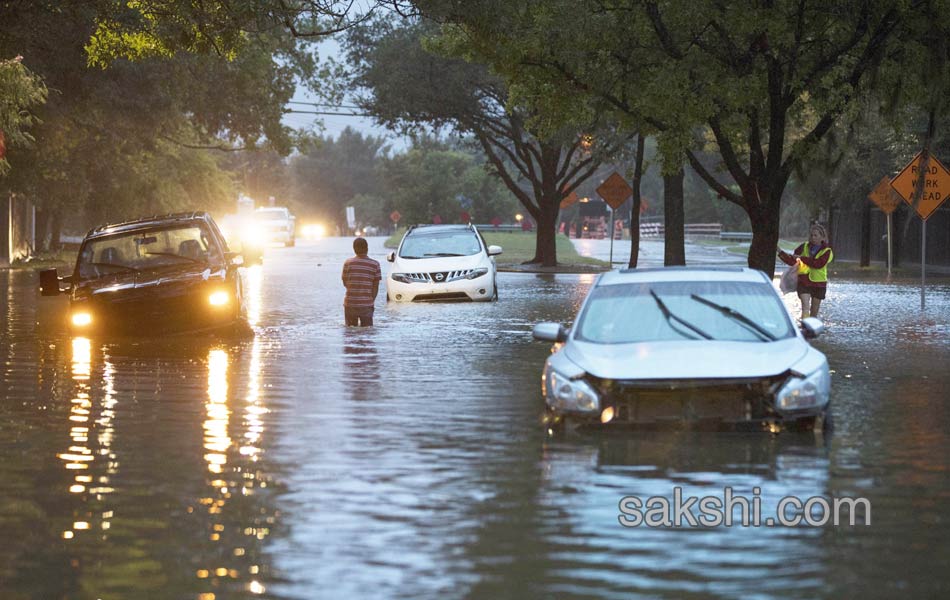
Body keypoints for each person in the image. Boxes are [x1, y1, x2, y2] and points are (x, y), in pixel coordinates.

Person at [778, 223, 834, 320]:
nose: (813, 238)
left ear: (822, 237)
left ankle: (812, 327)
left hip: (819, 283)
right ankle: (804, 326)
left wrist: (802, 258)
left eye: (816, 235)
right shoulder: (803, 247)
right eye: (811, 235)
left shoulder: (827, 251)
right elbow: (793, 261)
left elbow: (818, 264)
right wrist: (780, 252)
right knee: (805, 306)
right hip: (804, 282)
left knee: (814, 310)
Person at [342, 237, 381, 327]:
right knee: (367, 332)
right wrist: (370, 301)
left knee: (351, 332)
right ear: (367, 248)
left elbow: (345, 282)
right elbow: (376, 286)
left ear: (354, 249)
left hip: (350, 303)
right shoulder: (375, 264)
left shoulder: (347, 263)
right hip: (366, 305)